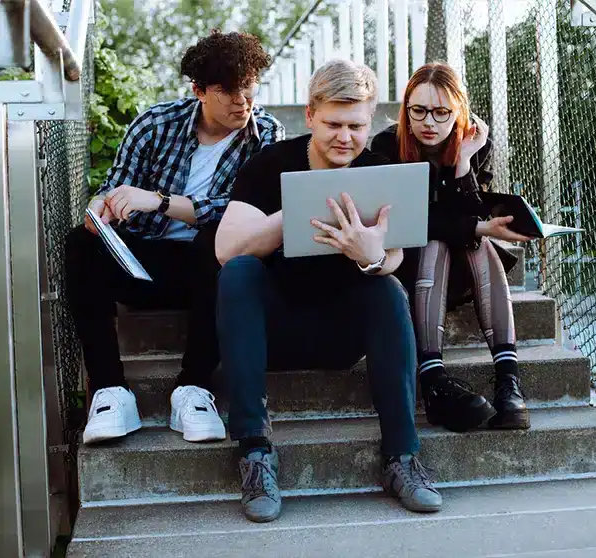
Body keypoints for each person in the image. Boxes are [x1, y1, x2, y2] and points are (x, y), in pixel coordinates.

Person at [215, 59, 442, 523]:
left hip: (342, 334)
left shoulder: (380, 171)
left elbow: (394, 261)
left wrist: (371, 252)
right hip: (271, 334)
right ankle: (256, 454)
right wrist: (302, 208)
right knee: (238, 274)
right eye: (333, 124)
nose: (345, 137)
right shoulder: (270, 165)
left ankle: (402, 457)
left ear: (370, 121)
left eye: (356, 126)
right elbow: (226, 250)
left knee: (388, 290)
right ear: (310, 114)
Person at [65, 30, 284, 445]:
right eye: (229, 92)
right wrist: (103, 208)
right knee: (80, 243)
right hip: (146, 266)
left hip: (216, 276)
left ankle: (194, 390)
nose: (243, 102)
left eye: (250, 90)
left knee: (218, 241)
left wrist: (160, 201)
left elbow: (251, 214)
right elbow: (118, 187)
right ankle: (111, 391)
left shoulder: (267, 135)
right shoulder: (155, 124)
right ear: (199, 90)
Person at [371, 62, 531, 431]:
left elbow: (472, 214)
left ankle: (508, 381)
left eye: (442, 112)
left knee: (476, 243)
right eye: (419, 110)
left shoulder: (476, 144)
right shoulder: (386, 146)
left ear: (458, 110)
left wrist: (463, 162)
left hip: (461, 272)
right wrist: (475, 225)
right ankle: (432, 375)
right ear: (406, 109)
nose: (429, 121)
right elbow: (411, 223)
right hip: (409, 265)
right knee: (438, 239)